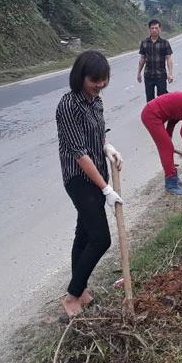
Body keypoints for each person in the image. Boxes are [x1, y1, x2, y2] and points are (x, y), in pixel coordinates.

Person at [54, 50, 124, 319]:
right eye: (94, 80)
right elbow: (79, 152)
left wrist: (109, 148)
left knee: (83, 236)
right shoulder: (68, 106)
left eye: (103, 80)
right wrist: (105, 189)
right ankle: (72, 296)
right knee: (100, 239)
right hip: (79, 179)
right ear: (80, 76)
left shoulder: (96, 101)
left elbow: (97, 134)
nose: (99, 85)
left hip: (97, 171)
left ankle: (81, 290)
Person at [137, 19, 173, 102]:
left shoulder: (165, 43)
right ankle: (152, 114)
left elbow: (168, 58)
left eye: (156, 28)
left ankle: (163, 114)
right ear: (149, 29)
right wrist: (139, 73)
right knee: (150, 99)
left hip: (161, 75)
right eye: (152, 28)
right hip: (148, 75)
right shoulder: (145, 43)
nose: (154, 30)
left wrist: (170, 74)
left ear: (160, 29)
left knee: (163, 97)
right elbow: (142, 58)